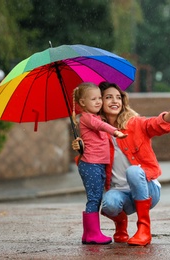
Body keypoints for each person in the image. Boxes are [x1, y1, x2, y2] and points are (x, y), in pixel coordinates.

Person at [72, 82, 170, 246]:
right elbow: (92, 161)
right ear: (99, 101)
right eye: (108, 97)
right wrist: (81, 146)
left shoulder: (135, 123)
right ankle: (121, 223)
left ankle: (144, 229)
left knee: (134, 172)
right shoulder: (96, 132)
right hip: (121, 193)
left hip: (148, 189)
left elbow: (155, 124)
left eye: (118, 97)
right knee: (108, 204)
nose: (115, 101)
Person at [72, 82, 127, 245]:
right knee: (94, 199)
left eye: (99, 98)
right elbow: (100, 126)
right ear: (82, 103)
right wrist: (115, 131)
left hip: (97, 164)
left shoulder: (94, 116)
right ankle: (93, 233)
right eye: (93, 99)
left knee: (95, 198)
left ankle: (88, 233)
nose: (98, 102)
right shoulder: (88, 117)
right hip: (91, 164)